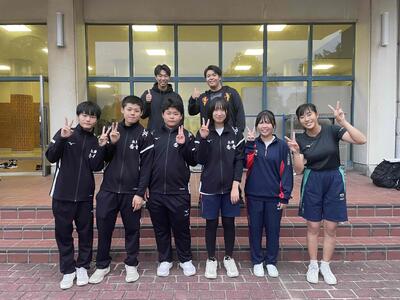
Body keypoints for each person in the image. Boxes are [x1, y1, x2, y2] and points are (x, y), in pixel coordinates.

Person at [285, 102, 366, 285]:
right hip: (312, 180)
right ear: (299, 121)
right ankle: (313, 264)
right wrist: (296, 152)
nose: (307, 119)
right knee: (313, 227)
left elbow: (361, 139)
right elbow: (298, 170)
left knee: (331, 227)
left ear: (316, 114)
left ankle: (325, 265)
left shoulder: (332, 130)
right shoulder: (301, 140)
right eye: (303, 117)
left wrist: (343, 122)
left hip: (333, 180)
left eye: (309, 114)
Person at [89, 96, 154, 284]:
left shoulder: (144, 135)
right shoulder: (111, 130)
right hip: (108, 190)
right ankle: (102, 265)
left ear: (141, 113)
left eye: (136, 110)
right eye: (129, 109)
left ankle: (131, 265)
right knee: (104, 229)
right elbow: (100, 162)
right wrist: (109, 143)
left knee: (132, 230)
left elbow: (147, 167)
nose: (132, 113)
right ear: (122, 110)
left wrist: (140, 193)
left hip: (131, 192)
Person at [45, 101, 104, 289]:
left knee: (85, 233)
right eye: (85, 115)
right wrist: (62, 138)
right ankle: (68, 270)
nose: (88, 119)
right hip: (62, 195)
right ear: (78, 116)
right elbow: (50, 156)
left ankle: (82, 267)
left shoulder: (95, 140)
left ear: (96, 120)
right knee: (63, 233)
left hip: (85, 196)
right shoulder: (66, 133)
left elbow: (96, 166)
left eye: (92, 116)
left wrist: (102, 147)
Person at [147, 97, 197, 277]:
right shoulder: (152, 134)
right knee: (161, 228)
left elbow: (193, 160)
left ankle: (185, 259)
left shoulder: (188, 135)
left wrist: (183, 145)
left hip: (179, 192)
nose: (172, 116)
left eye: (176, 113)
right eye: (168, 113)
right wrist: (144, 186)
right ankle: (165, 259)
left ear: (181, 116)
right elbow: (145, 163)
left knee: (181, 228)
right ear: (162, 114)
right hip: (156, 191)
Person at [195, 98, 244, 279]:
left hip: (230, 188)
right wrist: (203, 138)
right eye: (215, 110)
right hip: (209, 187)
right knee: (211, 224)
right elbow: (199, 159)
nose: (219, 113)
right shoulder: (203, 132)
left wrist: (235, 185)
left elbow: (239, 161)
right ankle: (211, 259)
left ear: (227, 112)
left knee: (229, 223)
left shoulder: (235, 133)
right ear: (210, 112)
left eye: (222, 109)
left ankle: (229, 257)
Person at [244, 110, 293, 278]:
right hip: (254, 195)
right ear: (257, 125)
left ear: (274, 125)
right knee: (255, 230)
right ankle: (257, 261)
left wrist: (285, 195)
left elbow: (287, 171)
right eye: (261, 122)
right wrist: (250, 145)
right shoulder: (252, 143)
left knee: (273, 230)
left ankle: (271, 262)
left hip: (274, 197)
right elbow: (246, 164)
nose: (264, 126)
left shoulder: (282, 146)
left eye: (268, 122)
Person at [188, 65, 246, 133]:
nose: (211, 78)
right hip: (209, 135)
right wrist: (193, 99)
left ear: (220, 77)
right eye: (208, 76)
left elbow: (240, 113)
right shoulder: (203, 97)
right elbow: (192, 112)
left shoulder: (231, 92)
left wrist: (239, 132)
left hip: (229, 135)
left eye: (214, 75)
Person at [141, 64, 184, 132]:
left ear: (169, 77)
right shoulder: (148, 94)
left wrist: (179, 132)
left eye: (165, 76)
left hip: (171, 135)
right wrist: (147, 103)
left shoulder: (176, 96)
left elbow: (181, 118)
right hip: (152, 134)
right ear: (156, 77)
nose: (163, 79)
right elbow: (142, 115)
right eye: (160, 76)